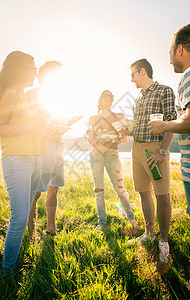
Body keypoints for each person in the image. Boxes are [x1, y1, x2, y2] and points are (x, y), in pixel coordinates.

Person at [0, 51, 46, 276]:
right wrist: (30, 127)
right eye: (32, 67)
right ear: (20, 69)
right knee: (20, 217)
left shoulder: (25, 96)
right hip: (17, 159)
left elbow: (31, 125)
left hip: (35, 157)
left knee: (25, 213)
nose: (35, 72)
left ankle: (12, 262)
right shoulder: (11, 93)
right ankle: (7, 270)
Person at [125, 59, 177, 264]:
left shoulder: (164, 91)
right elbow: (138, 126)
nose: (131, 80)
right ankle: (150, 233)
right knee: (143, 192)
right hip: (136, 148)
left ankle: (164, 242)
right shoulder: (137, 98)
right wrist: (125, 129)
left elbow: (171, 122)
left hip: (155, 149)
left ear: (143, 71)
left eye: (133, 75)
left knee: (162, 195)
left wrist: (163, 151)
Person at [149, 24, 190, 217]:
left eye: (170, 51)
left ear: (179, 49)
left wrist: (163, 125)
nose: (169, 57)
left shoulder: (188, 77)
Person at [87, 90, 140, 232]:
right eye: (105, 96)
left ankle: (131, 218)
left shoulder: (118, 117)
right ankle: (102, 223)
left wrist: (115, 138)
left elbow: (124, 137)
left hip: (112, 155)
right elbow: (91, 140)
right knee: (99, 190)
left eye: (110, 97)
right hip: (96, 155)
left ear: (112, 101)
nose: (108, 99)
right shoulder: (92, 118)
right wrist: (91, 136)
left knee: (120, 190)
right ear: (100, 100)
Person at [27, 61, 68, 237]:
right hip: (42, 146)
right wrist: (48, 128)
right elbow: (28, 122)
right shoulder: (33, 95)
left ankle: (51, 228)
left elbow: (59, 120)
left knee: (54, 188)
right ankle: (30, 232)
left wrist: (66, 124)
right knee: (35, 192)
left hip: (59, 145)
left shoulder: (59, 96)